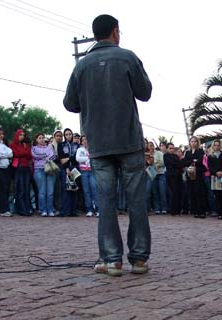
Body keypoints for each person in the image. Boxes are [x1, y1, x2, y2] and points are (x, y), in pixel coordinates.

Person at [63, 14, 152, 276]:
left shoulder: (81, 65)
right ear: (115, 32)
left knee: (105, 201)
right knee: (136, 200)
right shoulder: (127, 57)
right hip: (128, 139)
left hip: (99, 143)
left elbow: (70, 103)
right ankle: (139, 259)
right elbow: (145, 92)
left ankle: (111, 259)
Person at [32, 133, 57, 217]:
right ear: (36, 140)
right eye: (40, 138)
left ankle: (50, 210)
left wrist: (43, 156)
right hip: (39, 170)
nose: (42, 139)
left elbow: (53, 156)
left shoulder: (49, 147)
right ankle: (43, 210)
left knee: (50, 191)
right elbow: (35, 155)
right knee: (42, 192)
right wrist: (46, 155)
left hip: (50, 169)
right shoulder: (34, 148)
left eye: (43, 138)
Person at [183, 136, 207, 218]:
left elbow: (200, 161)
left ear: (197, 142)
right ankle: (195, 211)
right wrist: (193, 161)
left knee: (199, 192)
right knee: (191, 192)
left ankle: (202, 212)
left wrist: (193, 162)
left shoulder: (200, 151)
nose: (193, 143)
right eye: (192, 141)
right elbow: (185, 162)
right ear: (190, 142)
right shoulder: (187, 152)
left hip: (199, 175)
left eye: (195, 141)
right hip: (190, 175)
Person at [58, 128, 80, 217]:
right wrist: (67, 167)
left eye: (70, 134)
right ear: (64, 136)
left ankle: (73, 211)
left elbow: (75, 158)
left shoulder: (76, 145)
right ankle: (65, 211)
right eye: (66, 134)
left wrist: (68, 158)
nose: (68, 136)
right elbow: (61, 158)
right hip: (65, 169)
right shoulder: (61, 145)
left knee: (74, 189)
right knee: (66, 189)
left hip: (75, 168)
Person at [10, 129, 32, 216]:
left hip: (26, 168)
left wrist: (24, 152)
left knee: (26, 189)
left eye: (23, 135)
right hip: (18, 168)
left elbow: (30, 155)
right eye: (20, 135)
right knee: (20, 189)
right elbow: (16, 153)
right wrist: (24, 153)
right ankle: (21, 209)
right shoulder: (12, 145)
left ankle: (27, 208)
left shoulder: (25, 144)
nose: (22, 136)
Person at [208, 139, 222, 219]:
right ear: (213, 146)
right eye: (215, 145)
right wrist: (215, 173)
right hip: (214, 177)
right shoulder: (210, 156)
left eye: (218, 145)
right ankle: (219, 213)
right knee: (217, 196)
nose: (216, 146)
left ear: (220, 145)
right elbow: (210, 167)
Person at [0, 127, 13, 217]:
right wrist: (5, 155)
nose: (1, 136)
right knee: (1, 188)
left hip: (6, 167)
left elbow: (11, 153)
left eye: (2, 134)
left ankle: (3, 208)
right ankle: (2, 209)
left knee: (6, 188)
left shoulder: (4, 144)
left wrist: (4, 155)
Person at [76, 135, 98, 217]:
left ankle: (97, 209)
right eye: (83, 140)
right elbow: (78, 159)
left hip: (92, 171)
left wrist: (85, 158)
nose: (85, 141)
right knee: (86, 191)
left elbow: (95, 158)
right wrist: (88, 158)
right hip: (83, 172)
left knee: (94, 190)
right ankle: (89, 210)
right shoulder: (79, 149)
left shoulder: (93, 149)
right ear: (81, 142)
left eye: (86, 139)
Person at [164, 143, 184, 216]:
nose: (172, 150)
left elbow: (180, 164)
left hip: (178, 176)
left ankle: (178, 210)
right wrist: (177, 164)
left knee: (179, 192)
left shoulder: (175, 156)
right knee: (174, 192)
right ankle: (173, 211)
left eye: (173, 148)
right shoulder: (165, 156)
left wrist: (177, 164)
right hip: (171, 176)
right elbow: (171, 164)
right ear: (167, 149)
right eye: (170, 148)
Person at [152, 140, 167, 214]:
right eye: (149, 145)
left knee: (162, 192)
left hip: (161, 174)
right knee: (155, 193)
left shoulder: (159, 153)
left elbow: (163, 162)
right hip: (153, 175)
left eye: (152, 145)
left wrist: (156, 164)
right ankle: (157, 208)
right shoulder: (147, 154)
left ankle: (164, 208)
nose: (151, 147)